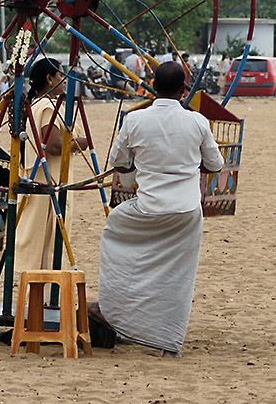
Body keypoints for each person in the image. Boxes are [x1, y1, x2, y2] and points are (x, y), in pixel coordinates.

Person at [89, 62, 225, 357]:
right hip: (186, 212)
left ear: (152, 85)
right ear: (182, 90)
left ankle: (116, 312)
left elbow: (118, 162)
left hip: (148, 208)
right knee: (178, 276)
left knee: (114, 231)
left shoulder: (135, 119)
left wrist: (143, 160)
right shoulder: (197, 121)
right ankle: (167, 342)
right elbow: (215, 165)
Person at [14, 58, 88, 274]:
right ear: (49, 78)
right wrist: (83, 143)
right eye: (60, 75)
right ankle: (46, 298)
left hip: (40, 182)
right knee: (48, 242)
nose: (64, 80)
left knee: (42, 242)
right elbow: (54, 145)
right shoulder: (46, 106)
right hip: (48, 183)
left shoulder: (35, 104)